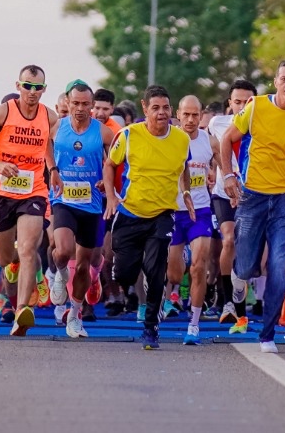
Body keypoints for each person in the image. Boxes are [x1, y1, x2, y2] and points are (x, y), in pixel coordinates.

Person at [220, 60, 285, 350]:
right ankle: (238, 280)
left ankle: (268, 334)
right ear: (275, 82)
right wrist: (227, 175)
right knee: (247, 267)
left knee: (278, 265)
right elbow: (227, 139)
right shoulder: (256, 107)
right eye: (284, 79)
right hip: (252, 197)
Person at [0, 65, 56, 337]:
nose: (32, 92)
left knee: (30, 248)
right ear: (18, 86)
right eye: (27, 86)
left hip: (33, 191)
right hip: (2, 191)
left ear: (44, 89)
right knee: (6, 257)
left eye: (37, 87)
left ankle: (22, 312)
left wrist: (53, 171)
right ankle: (17, 266)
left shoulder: (50, 117)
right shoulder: (3, 112)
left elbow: (51, 146)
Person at [105, 84, 192, 350]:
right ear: (145, 109)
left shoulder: (181, 139)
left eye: (166, 107)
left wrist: (186, 191)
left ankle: (151, 326)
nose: (161, 113)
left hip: (162, 215)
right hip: (130, 213)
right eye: (155, 108)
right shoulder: (129, 135)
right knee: (125, 273)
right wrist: (111, 196)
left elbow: (184, 167)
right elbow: (110, 165)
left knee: (156, 271)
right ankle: (122, 274)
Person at [49, 81, 115, 339]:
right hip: (63, 199)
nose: (80, 108)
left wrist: (106, 181)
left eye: (85, 104)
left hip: (92, 204)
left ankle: (75, 315)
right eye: (75, 103)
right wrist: (53, 169)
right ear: (67, 102)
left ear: (91, 105)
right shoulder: (58, 126)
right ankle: (59, 273)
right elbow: (44, 145)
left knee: (86, 266)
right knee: (63, 251)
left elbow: (117, 162)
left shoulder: (104, 133)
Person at [167, 94, 217, 345]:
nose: (190, 120)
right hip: (173, 211)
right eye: (185, 114)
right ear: (178, 114)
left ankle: (194, 324)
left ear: (201, 115)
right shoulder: (170, 139)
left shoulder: (209, 140)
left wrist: (219, 175)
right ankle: (179, 263)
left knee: (199, 266)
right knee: (174, 275)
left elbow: (227, 163)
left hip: (200, 211)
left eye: (195, 115)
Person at [210, 78, 256, 323]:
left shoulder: (262, 125)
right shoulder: (218, 123)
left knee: (245, 249)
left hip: (252, 196)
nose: (241, 106)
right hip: (222, 193)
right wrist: (210, 171)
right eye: (236, 102)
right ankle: (227, 300)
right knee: (228, 240)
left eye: (246, 102)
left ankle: (239, 296)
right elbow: (210, 150)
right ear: (229, 103)